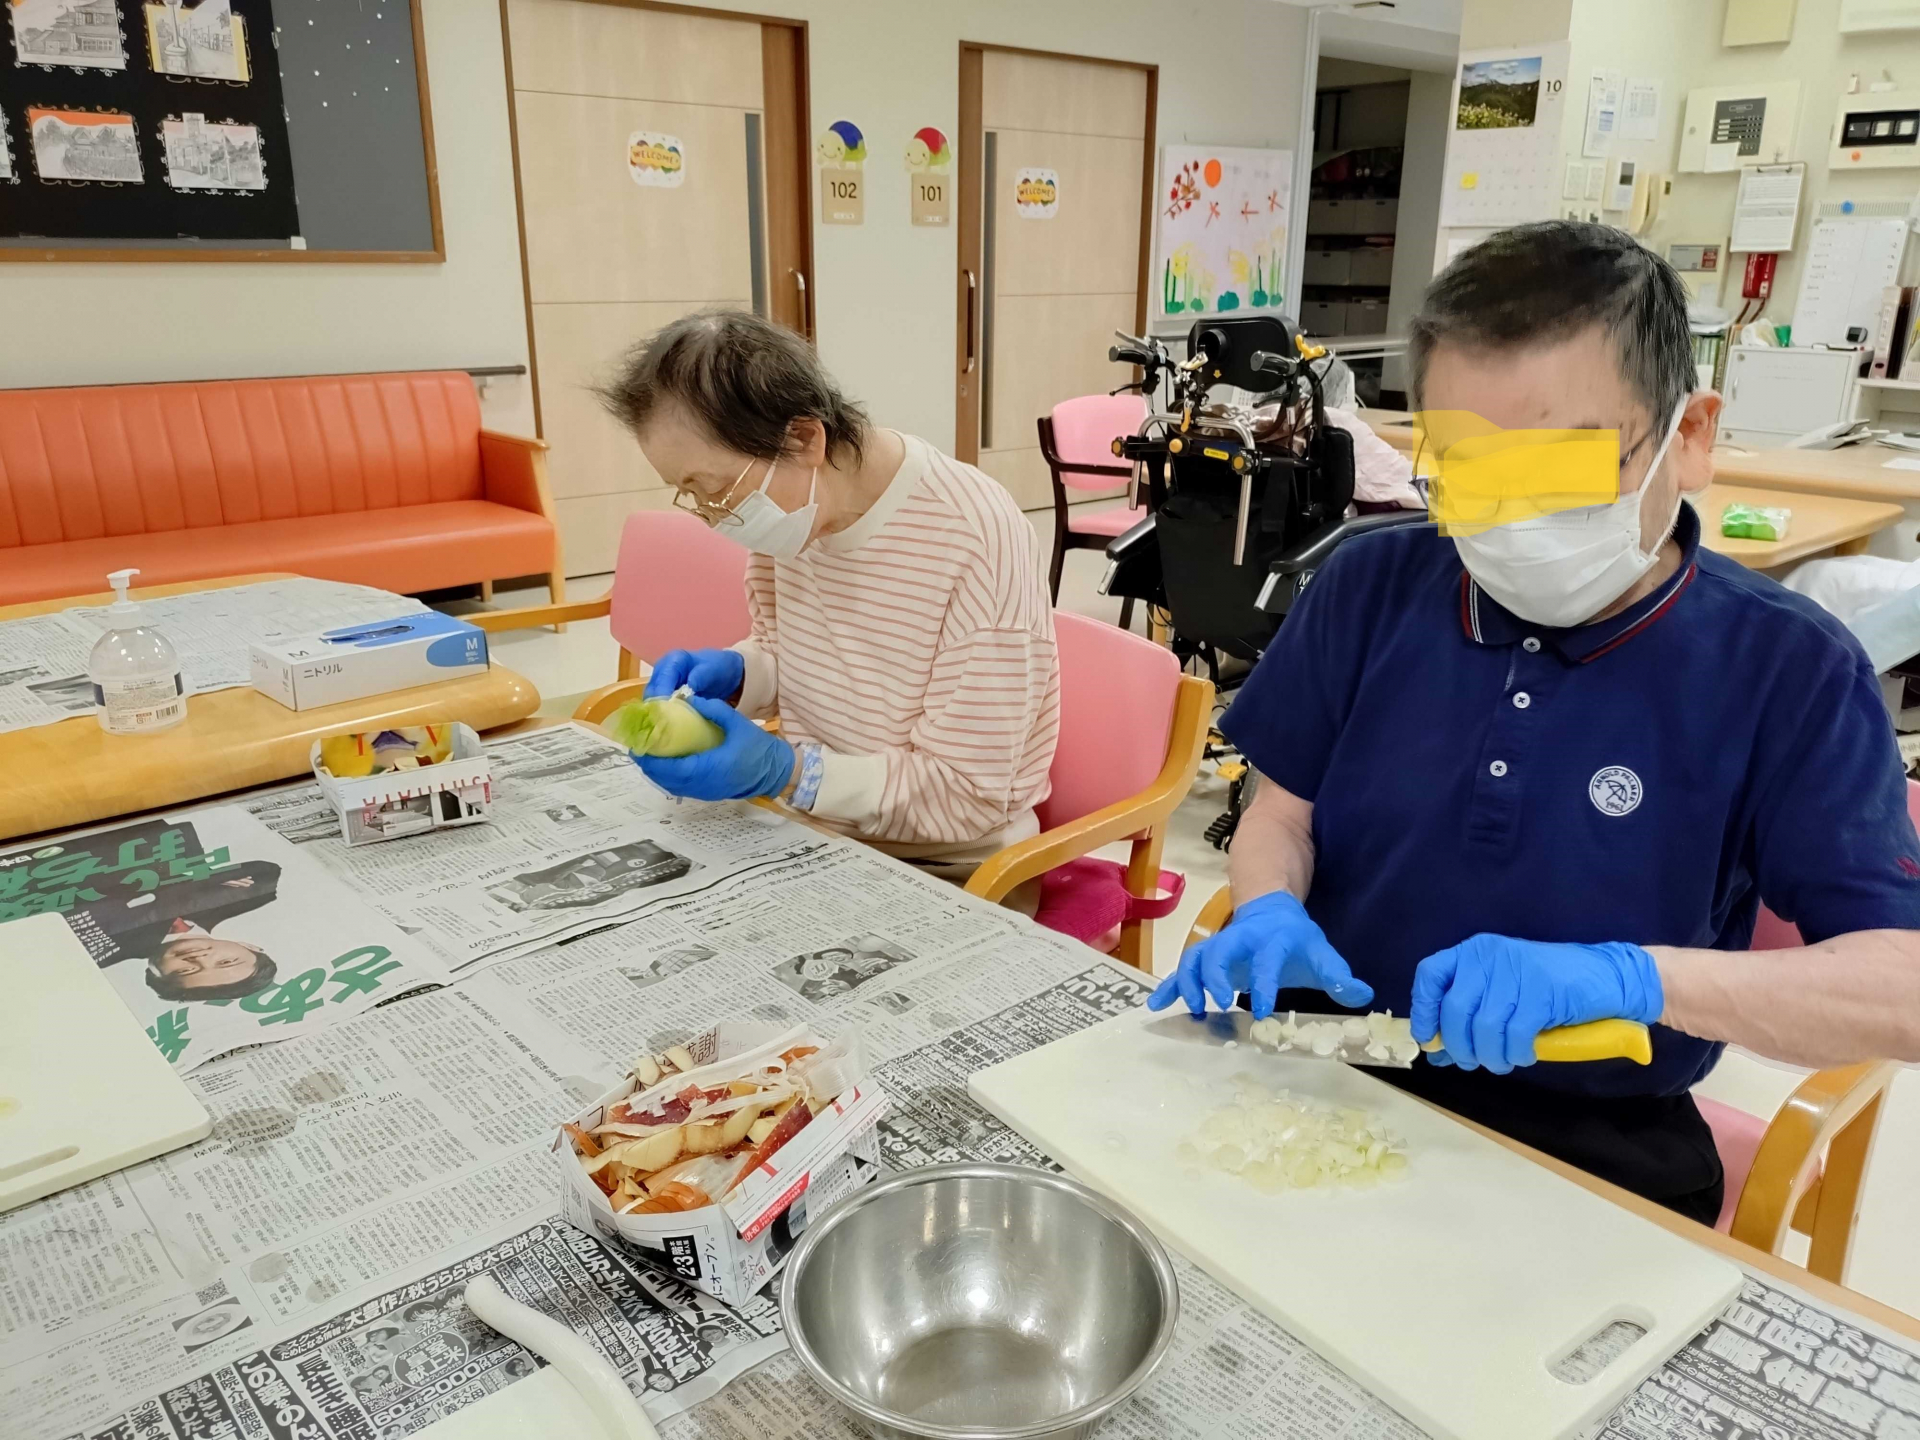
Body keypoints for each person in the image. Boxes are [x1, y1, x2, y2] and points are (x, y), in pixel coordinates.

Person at [1149, 221, 1920, 1222]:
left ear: (1689, 437)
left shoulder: (1788, 667)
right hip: (1327, 1066)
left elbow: (1898, 987)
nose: (1511, 519)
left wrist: (1635, 981)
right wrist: (1265, 908)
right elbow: (1280, 814)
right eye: (1471, 473)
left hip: (1590, 1135)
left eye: (1560, 471)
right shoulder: (1369, 584)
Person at [597, 311, 1061, 872]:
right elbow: (793, 653)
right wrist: (744, 673)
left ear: (803, 438)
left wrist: (789, 773)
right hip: (811, 828)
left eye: (714, 490)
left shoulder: (974, 537)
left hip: (950, 863)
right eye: (689, 495)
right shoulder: (795, 518)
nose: (712, 517)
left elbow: (965, 796)